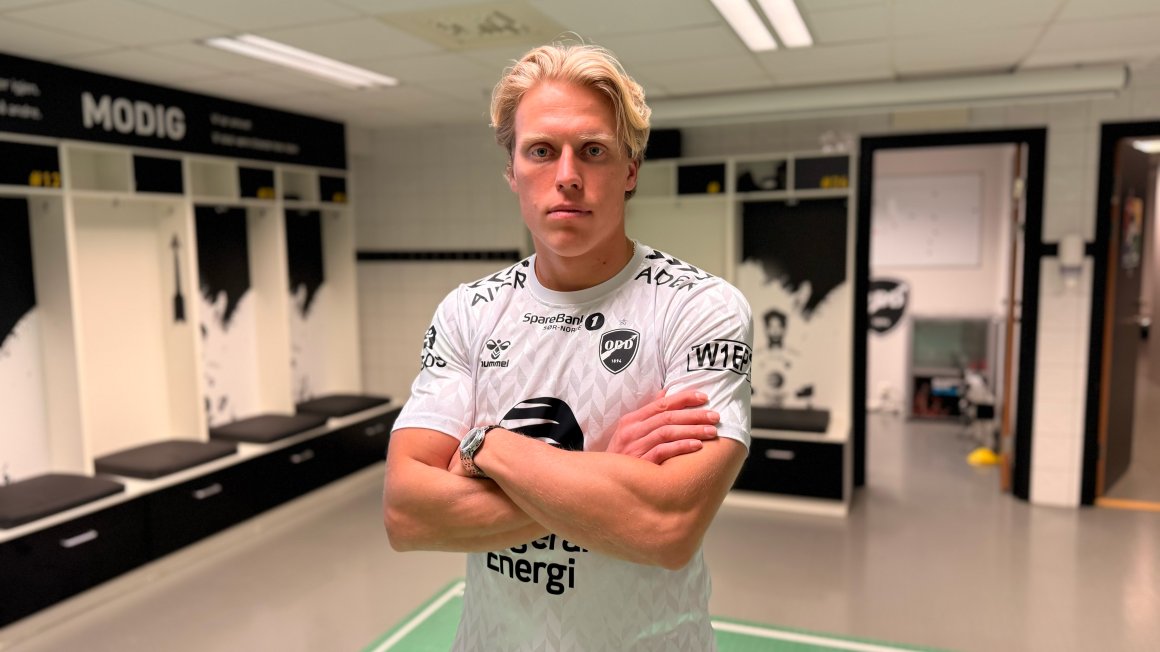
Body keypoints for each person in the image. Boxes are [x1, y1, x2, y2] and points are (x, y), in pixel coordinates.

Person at [383, 41, 753, 651]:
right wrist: (609, 469)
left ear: (630, 169)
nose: (567, 176)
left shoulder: (698, 308)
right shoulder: (469, 312)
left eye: (593, 150)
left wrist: (484, 446)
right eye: (541, 151)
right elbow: (406, 514)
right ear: (512, 172)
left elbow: (668, 526)